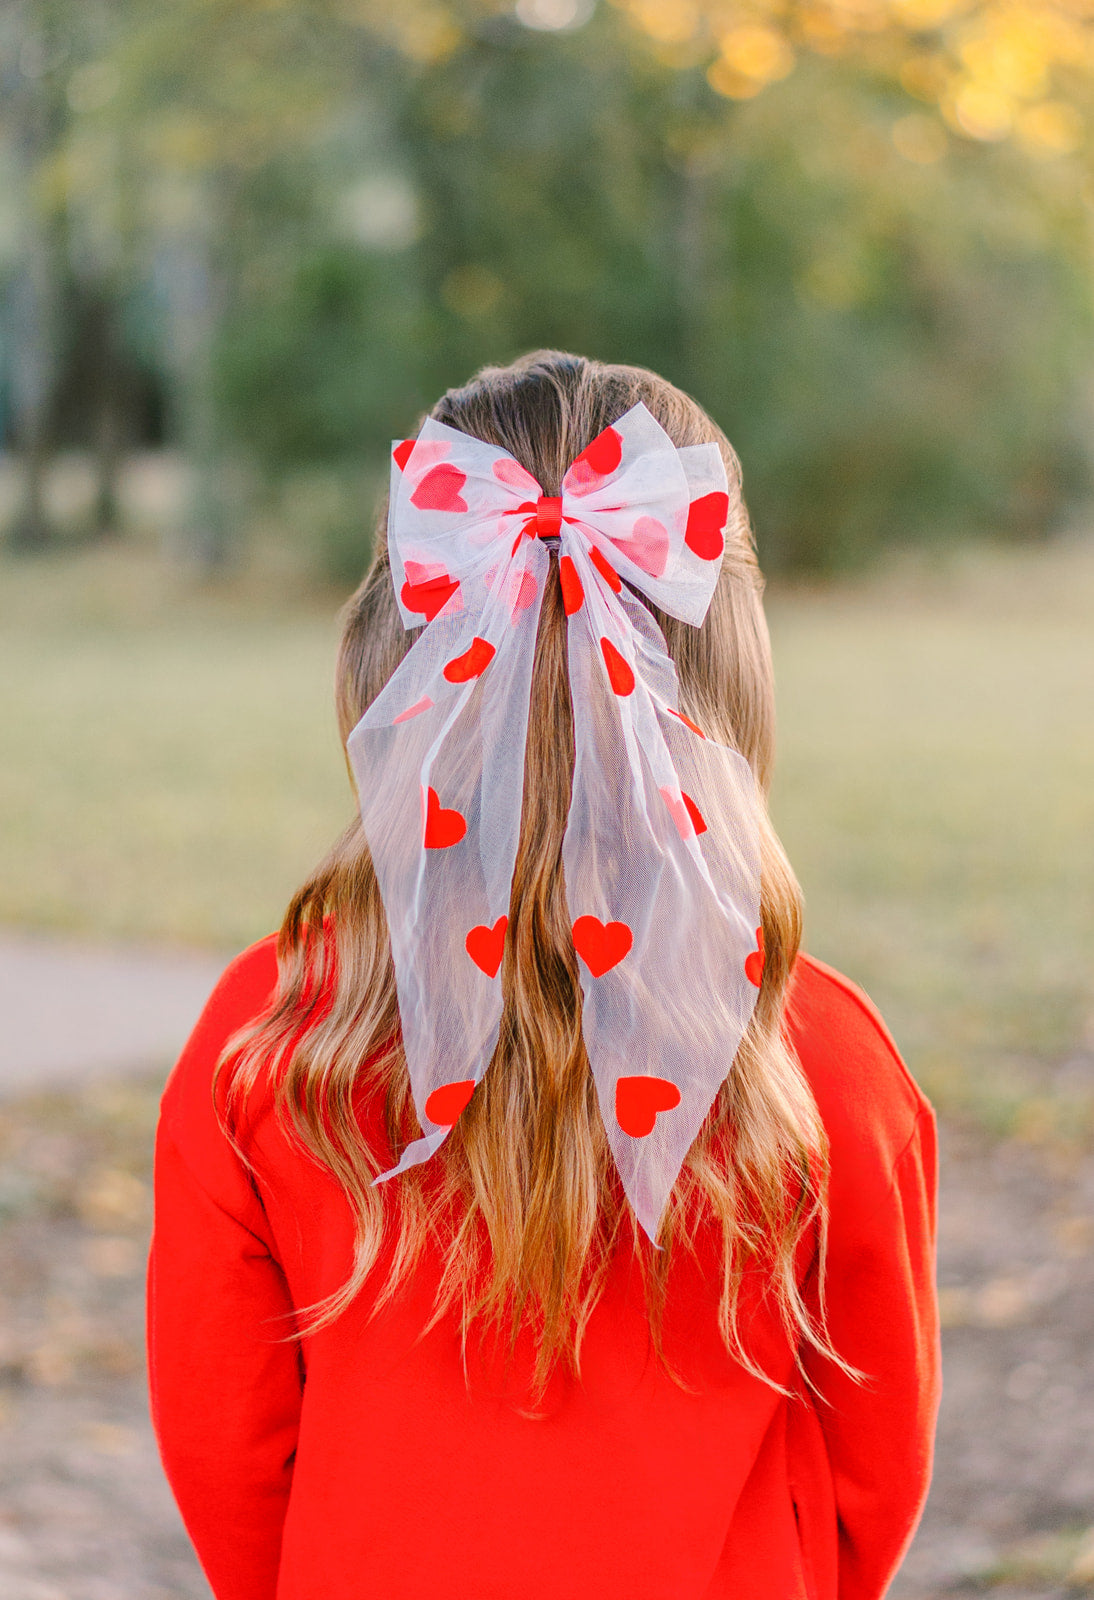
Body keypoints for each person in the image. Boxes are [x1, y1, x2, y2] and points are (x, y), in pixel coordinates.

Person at [147, 349, 940, 1600]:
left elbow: (228, 1453)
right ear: (729, 674)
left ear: (385, 656)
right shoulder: (821, 1059)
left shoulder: (266, 1038)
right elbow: (870, 1480)